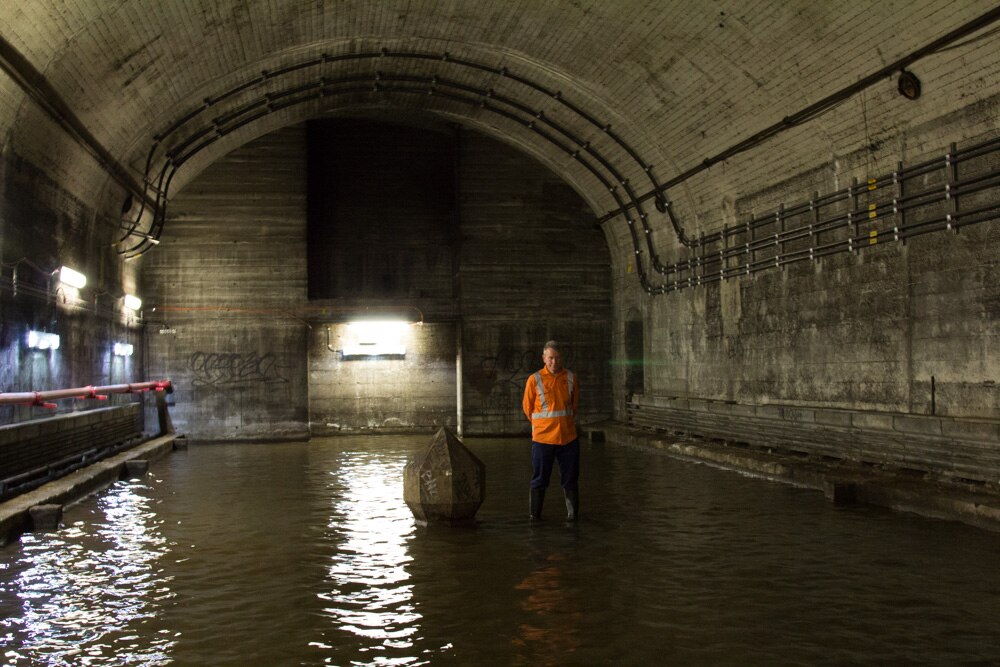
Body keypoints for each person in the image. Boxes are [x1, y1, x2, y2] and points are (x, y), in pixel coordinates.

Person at [522, 340, 580, 521]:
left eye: (557, 358)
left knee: (570, 480)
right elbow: (527, 408)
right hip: (543, 440)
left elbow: (574, 406)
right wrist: (544, 426)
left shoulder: (570, 378)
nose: (554, 362)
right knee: (539, 480)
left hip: (568, 439)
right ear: (543, 358)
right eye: (550, 358)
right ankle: (535, 517)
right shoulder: (534, 379)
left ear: (561, 358)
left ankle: (572, 517)